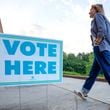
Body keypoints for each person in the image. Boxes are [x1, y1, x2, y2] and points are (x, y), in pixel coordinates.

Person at [74, 4, 110, 99]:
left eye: (91, 9)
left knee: (108, 72)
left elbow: (103, 30)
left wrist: (98, 40)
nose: (89, 11)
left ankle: (84, 91)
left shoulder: (98, 16)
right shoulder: (102, 19)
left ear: (96, 9)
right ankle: (84, 91)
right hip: (101, 48)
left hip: (101, 48)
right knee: (93, 72)